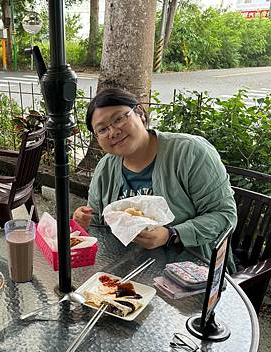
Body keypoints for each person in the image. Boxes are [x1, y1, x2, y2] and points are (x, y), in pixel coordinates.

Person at [73, 87, 237, 266]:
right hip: (124, 267)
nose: (113, 132)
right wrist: (84, 220)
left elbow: (225, 215)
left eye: (119, 119)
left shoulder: (190, 152)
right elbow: (98, 222)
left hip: (191, 272)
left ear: (140, 114)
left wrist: (171, 235)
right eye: (102, 130)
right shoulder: (106, 168)